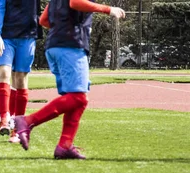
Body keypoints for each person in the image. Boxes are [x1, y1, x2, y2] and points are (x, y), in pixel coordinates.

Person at [13, 0, 125, 159]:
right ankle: (27, 121)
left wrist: (61, 28)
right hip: (71, 47)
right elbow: (75, 2)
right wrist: (108, 9)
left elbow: (43, 20)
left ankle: (64, 146)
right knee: (78, 97)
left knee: (76, 99)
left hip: (55, 46)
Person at [0, 0, 41, 141]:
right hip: (6, 36)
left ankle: (17, 128)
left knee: (20, 79)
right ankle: (4, 119)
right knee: (4, 73)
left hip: (28, 36)